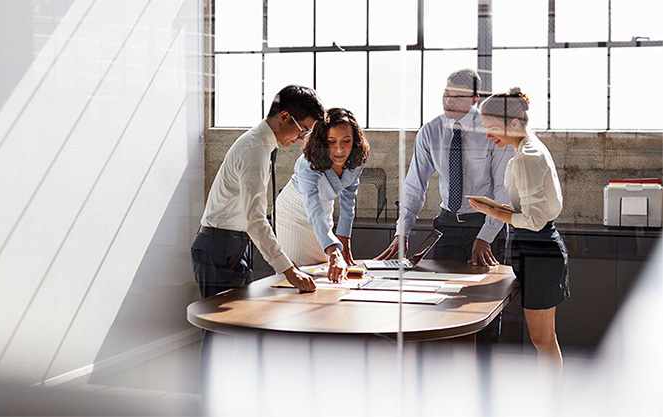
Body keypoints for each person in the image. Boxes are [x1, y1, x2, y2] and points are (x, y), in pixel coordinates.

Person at [469, 87, 569, 377]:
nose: (489, 136)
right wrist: (497, 207)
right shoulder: (526, 148)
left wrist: (492, 211)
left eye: (491, 128)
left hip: (539, 248)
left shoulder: (527, 156)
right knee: (544, 339)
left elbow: (535, 220)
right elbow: (528, 207)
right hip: (534, 247)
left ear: (513, 123)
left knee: (543, 339)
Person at [191, 85, 326, 298]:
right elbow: (255, 219)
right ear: (283, 116)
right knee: (221, 327)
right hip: (219, 247)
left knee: (238, 325)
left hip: (233, 244)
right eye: (304, 129)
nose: (303, 138)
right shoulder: (254, 151)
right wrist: (288, 270)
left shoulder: (261, 146)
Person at [376, 68, 514, 266]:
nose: (449, 101)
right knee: (441, 286)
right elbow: (414, 186)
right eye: (446, 94)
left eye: (458, 96)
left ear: (475, 98)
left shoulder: (492, 131)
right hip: (447, 225)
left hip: (485, 223)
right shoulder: (430, 131)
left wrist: (486, 236)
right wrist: (402, 233)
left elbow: (504, 189)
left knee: (484, 292)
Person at [276, 108, 370, 282]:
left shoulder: (357, 159)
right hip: (294, 212)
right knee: (297, 276)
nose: (339, 149)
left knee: (326, 273)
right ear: (321, 142)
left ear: (355, 140)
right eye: (331, 142)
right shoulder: (308, 163)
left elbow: (349, 199)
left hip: (324, 209)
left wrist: (344, 239)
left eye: (346, 141)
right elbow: (312, 207)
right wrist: (333, 250)